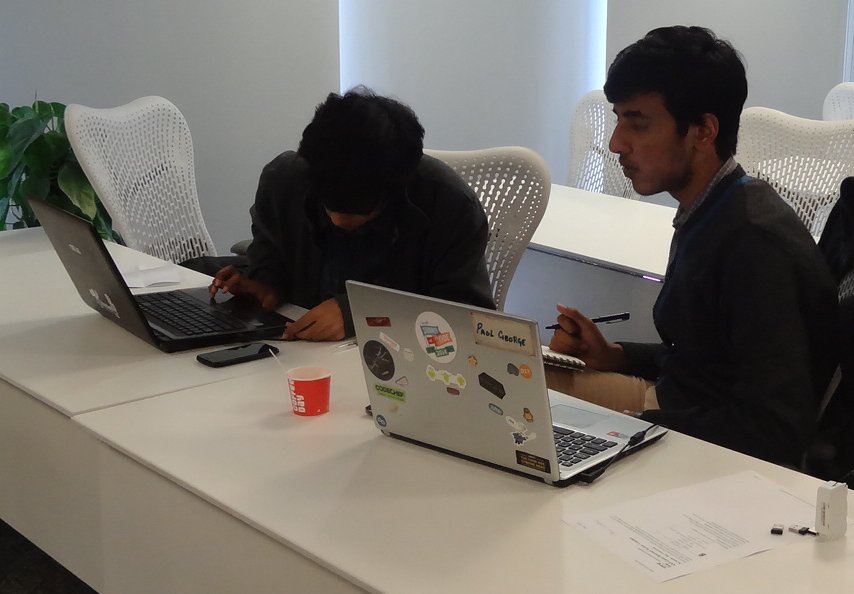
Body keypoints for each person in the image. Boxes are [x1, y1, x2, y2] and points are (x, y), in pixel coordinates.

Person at [546, 26, 839, 466]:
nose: (615, 143)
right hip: (679, 404)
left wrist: (635, 428)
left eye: (637, 122)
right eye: (618, 118)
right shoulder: (715, 206)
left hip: (694, 434)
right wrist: (614, 356)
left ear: (703, 131)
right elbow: (704, 357)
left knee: (515, 393)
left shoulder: (753, 245)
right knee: (517, 374)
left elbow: (774, 429)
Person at [209, 88, 495, 341]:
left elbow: (465, 318)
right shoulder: (284, 181)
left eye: (362, 211)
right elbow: (269, 248)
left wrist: (359, 313)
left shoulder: (450, 206)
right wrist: (265, 282)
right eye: (328, 206)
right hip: (296, 353)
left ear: (396, 187)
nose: (338, 220)